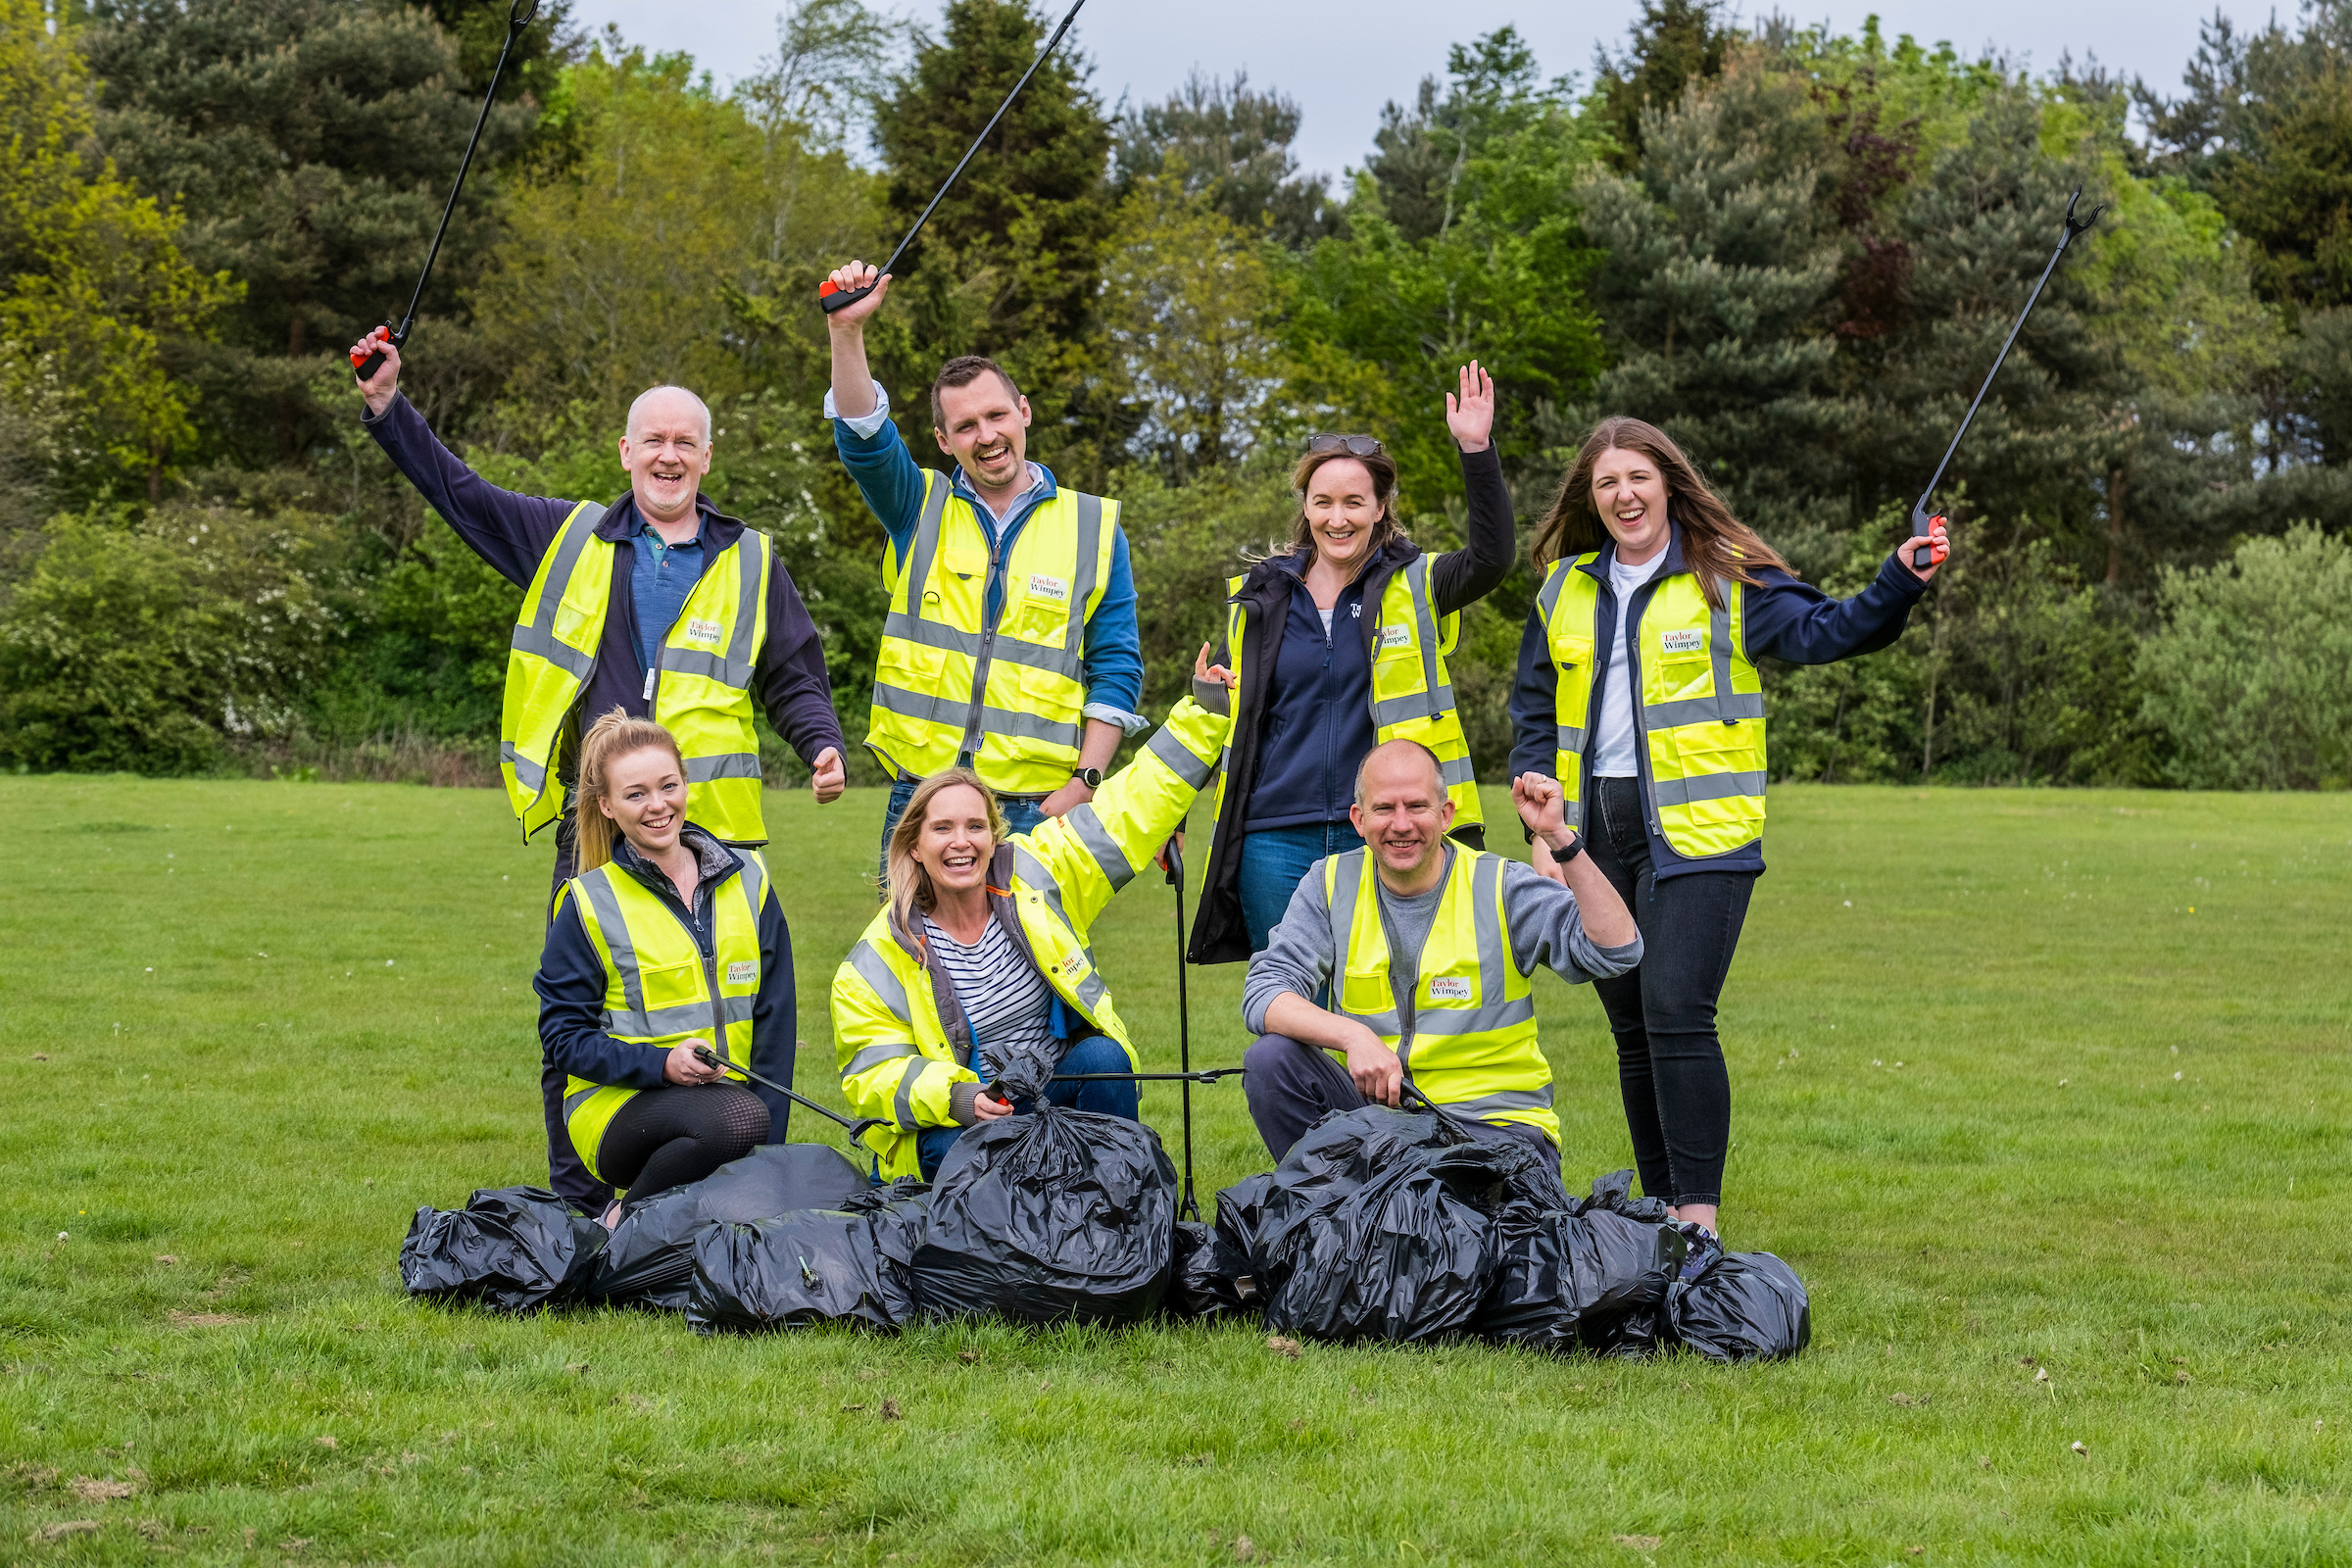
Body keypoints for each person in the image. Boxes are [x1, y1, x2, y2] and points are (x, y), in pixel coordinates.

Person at [1508, 416, 1951, 1252]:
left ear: (1668, 482)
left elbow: (1831, 632)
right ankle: (1659, 1209)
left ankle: (1698, 1221)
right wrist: (1539, 806)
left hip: (1698, 834)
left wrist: (1899, 579)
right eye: (1606, 484)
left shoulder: (1726, 575)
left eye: (1637, 478)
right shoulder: (1564, 587)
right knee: (1632, 1023)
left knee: (1677, 1007)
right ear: (1590, 499)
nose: (1623, 495)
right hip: (1590, 832)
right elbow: (1532, 707)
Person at [351, 330, 849, 914]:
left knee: (717, 997)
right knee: (580, 997)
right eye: (654, 440)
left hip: (713, 833)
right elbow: (466, 497)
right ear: (626, 452)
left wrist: (822, 744)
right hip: (598, 825)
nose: (669, 455)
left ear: (706, 457)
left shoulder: (754, 560)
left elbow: (794, 678)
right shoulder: (568, 538)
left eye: (685, 442)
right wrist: (389, 407)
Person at [832, 665, 1232, 1181]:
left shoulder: (1036, 873)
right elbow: (874, 1074)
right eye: (942, 829)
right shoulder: (875, 960)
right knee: (947, 1151)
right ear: (914, 845)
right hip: (965, 1122)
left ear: (994, 836)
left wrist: (1204, 712)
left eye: (976, 826)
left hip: (1052, 1091)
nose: (961, 842)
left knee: (1102, 1058)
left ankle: (1119, 1222)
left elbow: (1131, 808)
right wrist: (959, 1097)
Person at [817, 260, 1148, 879]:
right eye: (965, 426)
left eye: (996, 415)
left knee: (1040, 974)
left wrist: (1085, 782)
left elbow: (1117, 667)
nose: (986, 435)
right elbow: (864, 435)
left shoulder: (1094, 528)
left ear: (1024, 412)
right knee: (913, 970)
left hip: (1037, 809)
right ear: (944, 441)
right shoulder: (919, 506)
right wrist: (847, 333)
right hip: (922, 802)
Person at [1188, 366, 1515, 965]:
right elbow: (1235, 716)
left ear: (1380, 506)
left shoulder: (1419, 583)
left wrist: (1476, 449)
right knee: (1289, 1005)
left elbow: (1494, 558)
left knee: (1387, 1003)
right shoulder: (1261, 597)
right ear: (1306, 508)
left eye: (1354, 502)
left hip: (1385, 831)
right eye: (1324, 502)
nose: (1338, 518)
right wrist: (1208, 702)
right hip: (1274, 836)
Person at [1242, 741, 1642, 1167]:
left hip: (1496, 1135)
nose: (1401, 825)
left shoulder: (1500, 885)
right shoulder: (1331, 883)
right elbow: (1264, 991)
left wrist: (1559, 838)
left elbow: (1617, 951)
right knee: (1271, 1060)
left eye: (1417, 806)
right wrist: (1352, 1036)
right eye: (1384, 809)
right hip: (1382, 1131)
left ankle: (1371, 1219)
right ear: (1358, 819)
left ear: (1447, 814)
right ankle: (1336, 1218)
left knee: (1451, 1226)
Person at [535, 711, 799, 1220]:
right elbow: (563, 1038)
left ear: (685, 785)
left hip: (731, 1106)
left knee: (755, 1142)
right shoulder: (588, 902)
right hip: (618, 1107)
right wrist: (659, 1065)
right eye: (635, 795)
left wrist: (769, 1160)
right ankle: (620, 1222)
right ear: (607, 806)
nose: (658, 806)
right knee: (739, 1120)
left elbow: (775, 1026)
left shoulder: (750, 882)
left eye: (668, 786)